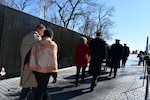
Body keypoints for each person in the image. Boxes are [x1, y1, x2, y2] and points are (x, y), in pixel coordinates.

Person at [26, 28, 58, 100]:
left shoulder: (37, 44)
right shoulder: (53, 45)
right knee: (40, 91)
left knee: (42, 88)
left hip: (36, 70)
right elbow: (53, 59)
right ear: (51, 36)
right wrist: (54, 73)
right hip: (46, 71)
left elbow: (32, 55)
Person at [19, 24, 46, 100]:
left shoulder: (26, 37)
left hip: (25, 65)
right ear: (40, 30)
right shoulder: (37, 38)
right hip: (33, 67)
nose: (43, 33)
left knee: (26, 87)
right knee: (35, 88)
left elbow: (21, 51)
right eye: (43, 31)